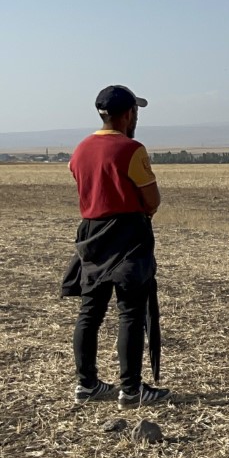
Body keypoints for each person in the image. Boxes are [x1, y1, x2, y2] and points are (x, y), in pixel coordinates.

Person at [62, 85, 171, 409]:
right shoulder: (132, 149)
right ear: (128, 114)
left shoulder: (80, 149)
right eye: (135, 111)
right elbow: (152, 199)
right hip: (128, 235)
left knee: (90, 312)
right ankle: (131, 390)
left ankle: (87, 385)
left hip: (92, 235)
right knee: (131, 312)